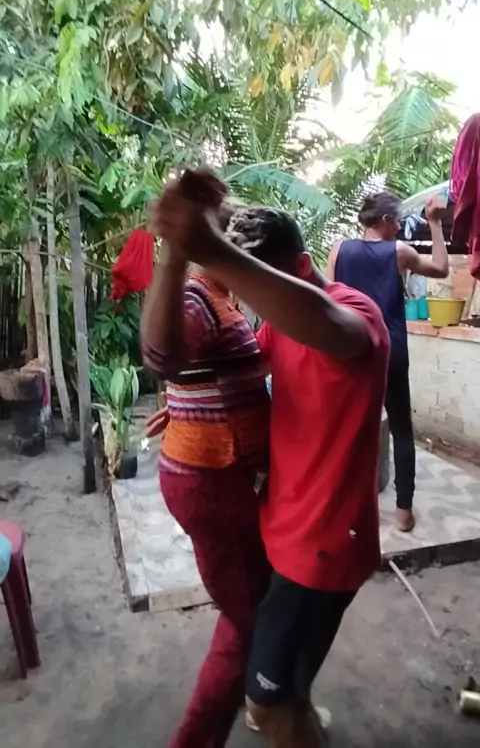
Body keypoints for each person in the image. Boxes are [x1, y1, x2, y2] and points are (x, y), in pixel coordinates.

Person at [150, 173, 390, 748]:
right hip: (280, 529)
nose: (255, 304)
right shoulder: (279, 327)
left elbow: (328, 325)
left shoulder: (352, 314)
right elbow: (237, 369)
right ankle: (295, 707)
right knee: (282, 675)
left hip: (322, 545)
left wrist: (208, 249)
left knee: (265, 702)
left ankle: (290, 715)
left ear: (300, 267)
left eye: (261, 285)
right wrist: (192, 405)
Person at [141, 170, 271, 748]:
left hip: (217, 476)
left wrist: (182, 406)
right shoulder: (198, 295)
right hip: (209, 483)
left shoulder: (223, 299)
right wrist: (174, 254)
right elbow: (163, 356)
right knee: (251, 618)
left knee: (250, 605)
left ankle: (266, 703)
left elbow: (200, 375)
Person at [326, 191, 449, 532]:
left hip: (350, 351)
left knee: (348, 432)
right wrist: (434, 223)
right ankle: (403, 512)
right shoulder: (398, 252)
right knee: (401, 431)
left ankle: (347, 510)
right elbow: (441, 268)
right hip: (390, 352)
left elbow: (330, 299)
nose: (399, 226)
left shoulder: (338, 250)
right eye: (396, 220)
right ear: (384, 220)